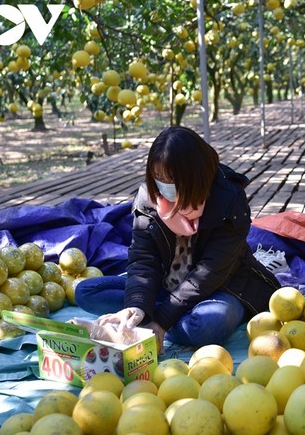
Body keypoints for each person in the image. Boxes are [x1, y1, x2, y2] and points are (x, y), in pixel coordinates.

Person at [75, 126, 281, 351]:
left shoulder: (229, 200)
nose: (164, 185)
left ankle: (155, 321)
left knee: (207, 325)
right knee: (86, 292)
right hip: (166, 285)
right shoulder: (149, 199)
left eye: (171, 178)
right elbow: (143, 260)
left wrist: (162, 322)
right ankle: (149, 317)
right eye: (158, 177)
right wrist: (135, 306)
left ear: (195, 174)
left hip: (221, 288)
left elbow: (210, 272)